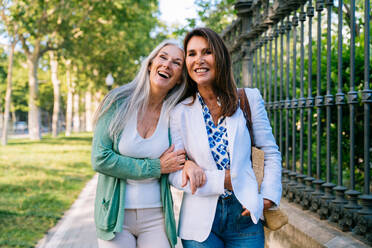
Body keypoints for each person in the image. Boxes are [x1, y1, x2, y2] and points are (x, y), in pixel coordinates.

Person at [169, 27, 282, 248]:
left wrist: (268, 196)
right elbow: (174, 171)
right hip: (199, 223)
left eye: (207, 52)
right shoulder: (178, 112)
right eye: (191, 54)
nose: (199, 60)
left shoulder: (248, 99)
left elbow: (270, 151)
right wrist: (219, 179)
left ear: (220, 56)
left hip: (245, 216)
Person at [91, 40, 187, 248]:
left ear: (180, 78)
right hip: (115, 216)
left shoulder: (177, 113)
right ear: (150, 64)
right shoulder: (116, 101)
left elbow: (184, 157)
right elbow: (100, 158)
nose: (167, 65)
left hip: (157, 217)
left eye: (176, 63)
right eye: (162, 57)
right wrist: (156, 167)